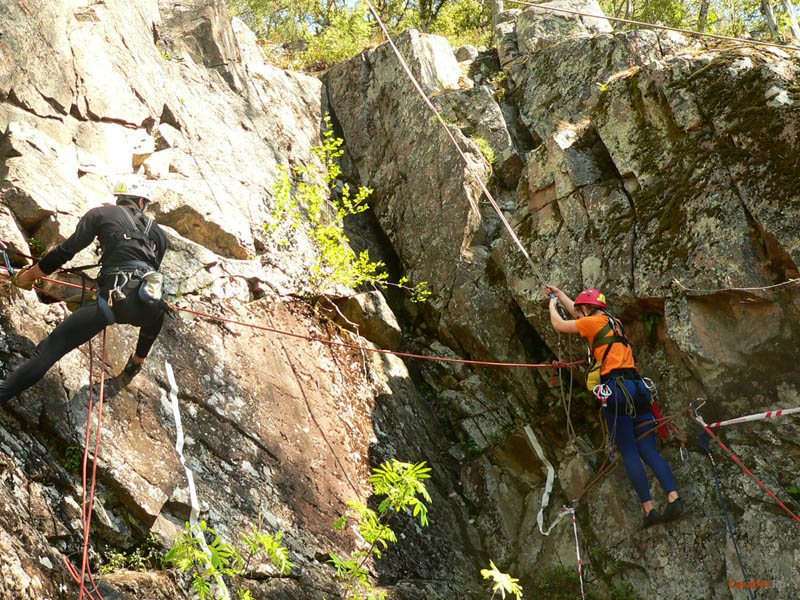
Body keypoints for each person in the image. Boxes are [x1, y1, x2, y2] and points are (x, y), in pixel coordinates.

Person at [0, 175, 169, 403]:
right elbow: (147, 272)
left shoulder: (101, 214)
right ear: (141, 203)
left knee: (49, 350)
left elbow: (65, 252)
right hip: (150, 304)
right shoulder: (159, 234)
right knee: (154, 315)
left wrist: (29, 276)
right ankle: (137, 363)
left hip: (111, 301)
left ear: (120, 199)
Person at [544, 285, 684, 526]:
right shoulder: (613, 322)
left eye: (582, 310)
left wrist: (552, 305)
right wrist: (561, 294)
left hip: (617, 391)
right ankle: (674, 497)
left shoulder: (593, 322)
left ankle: (648, 509)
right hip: (638, 389)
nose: (580, 315)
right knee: (649, 450)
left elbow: (560, 325)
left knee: (629, 450)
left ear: (587, 309)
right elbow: (579, 315)